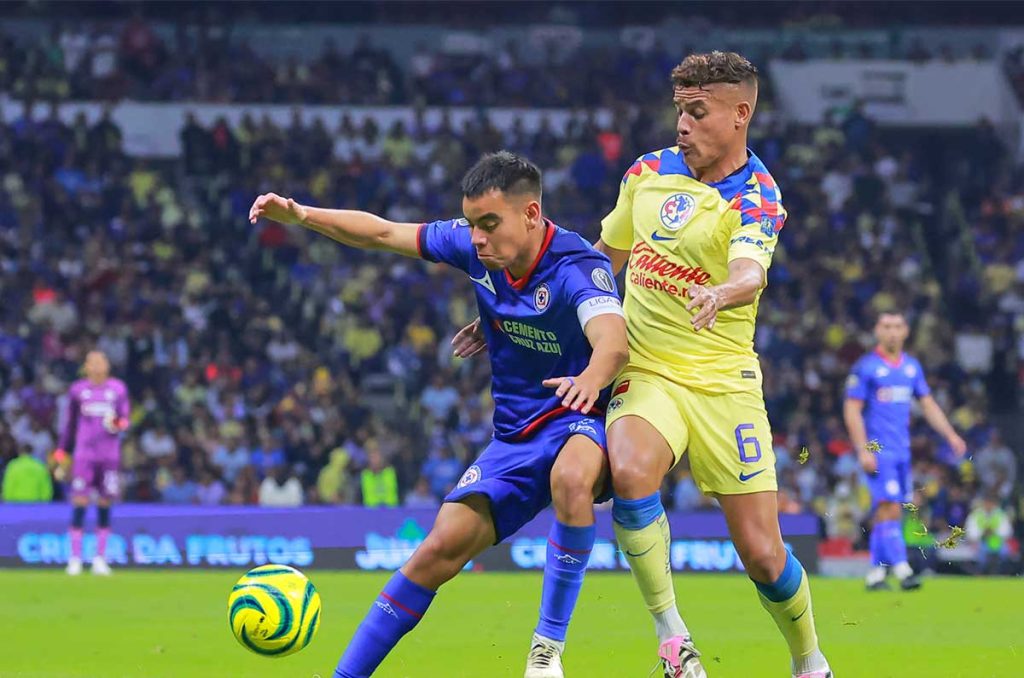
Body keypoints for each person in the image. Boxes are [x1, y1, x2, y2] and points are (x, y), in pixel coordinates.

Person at [454, 52, 829, 678]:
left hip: (723, 383)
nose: (682, 124)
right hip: (647, 367)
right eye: (680, 110)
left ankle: (809, 659)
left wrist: (721, 292)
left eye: (698, 112)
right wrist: (524, 311)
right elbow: (602, 259)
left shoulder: (758, 196)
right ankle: (673, 638)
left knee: (764, 556)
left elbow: (749, 270)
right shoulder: (648, 172)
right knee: (629, 470)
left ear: (740, 115)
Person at [249, 151, 628, 678]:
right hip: (515, 435)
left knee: (571, 477)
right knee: (436, 551)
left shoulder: (576, 266)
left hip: (578, 413)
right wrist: (304, 216)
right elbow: (382, 234)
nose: (477, 238)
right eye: (472, 225)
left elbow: (612, 342)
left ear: (532, 214)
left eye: (490, 225)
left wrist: (589, 380)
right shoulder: (476, 249)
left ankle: (546, 651)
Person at [844, 310, 967, 591]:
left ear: (906, 331)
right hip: (879, 451)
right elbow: (852, 410)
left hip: (902, 452)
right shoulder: (866, 367)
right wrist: (863, 449)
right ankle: (902, 568)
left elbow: (928, 404)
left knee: (890, 510)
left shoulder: (911, 367)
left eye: (897, 326)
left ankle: (876, 574)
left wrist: (950, 434)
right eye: (886, 326)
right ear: (877, 330)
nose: (891, 331)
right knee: (887, 505)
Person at [55, 350, 130, 576]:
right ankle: (75, 559)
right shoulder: (78, 390)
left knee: (105, 502)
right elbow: (69, 424)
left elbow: (126, 420)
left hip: (109, 456)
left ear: (107, 365)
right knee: (79, 500)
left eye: (100, 362)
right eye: (92, 362)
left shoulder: (118, 389)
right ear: (86, 367)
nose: (97, 366)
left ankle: (100, 558)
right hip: (84, 456)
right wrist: (61, 452)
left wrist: (115, 422)